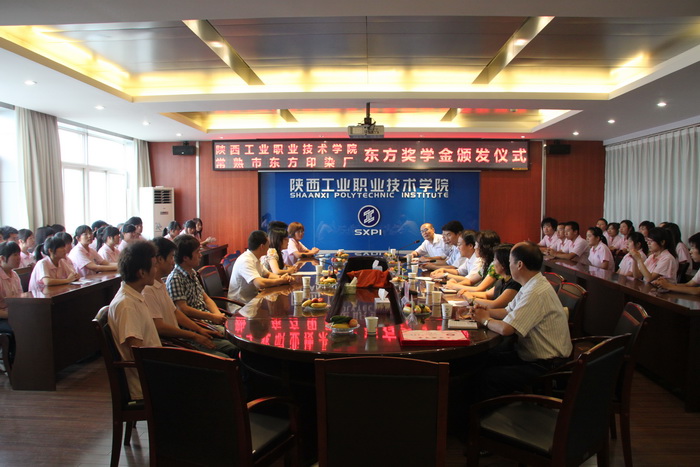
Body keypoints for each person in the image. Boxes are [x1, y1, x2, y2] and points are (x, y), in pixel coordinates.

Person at [471, 242, 572, 400]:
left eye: (509, 262)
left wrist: (485, 320)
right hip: (530, 355)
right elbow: (508, 311)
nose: (508, 266)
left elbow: (507, 329)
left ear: (519, 265)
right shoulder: (530, 284)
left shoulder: (536, 291)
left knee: (488, 377)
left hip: (547, 365)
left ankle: (491, 412)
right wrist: (484, 312)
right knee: (481, 359)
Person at [143, 237, 237, 357]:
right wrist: (196, 333)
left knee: (234, 344)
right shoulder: (151, 288)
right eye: (171, 257)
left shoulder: (161, 283)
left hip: (190, 333)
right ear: (159, 259)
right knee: (229, 352)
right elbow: (163, 325)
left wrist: (201, 329)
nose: (173, 261)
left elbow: (176, 311)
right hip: (178, 341)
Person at [107, 241, 162, 400]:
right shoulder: (127, 305)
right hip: (145, 383)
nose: (156, 269)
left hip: (155, 370)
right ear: (141, 273)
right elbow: (138, 352)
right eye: (154, 266)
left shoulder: (135, 295)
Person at [166, 235, 228, 327]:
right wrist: (212, 317)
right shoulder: (175, 278)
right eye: (197, 252)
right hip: (197, 325)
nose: (200, 255)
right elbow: (183, 309)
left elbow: (206, 298)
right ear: (185, 258)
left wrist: (217, 314)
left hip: (208, 319)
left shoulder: (192, 272)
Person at [229, 230, 296, 304]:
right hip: (241, 305)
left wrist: (283, 278)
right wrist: (281, 281)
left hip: (254, 300)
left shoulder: (256, 258)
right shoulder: (246, 260)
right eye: (268, 244)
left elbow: (268, 274)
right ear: (262, 246)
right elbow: (260, 283)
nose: (269, 247)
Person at [458, 244, 520, 310]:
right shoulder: (502, 280)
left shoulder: (514, 283)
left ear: (503, 264)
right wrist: (466, 293)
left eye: (495, 260)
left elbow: (495, 305)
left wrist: (471, 299)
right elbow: (486, 294)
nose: (493, 263)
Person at [0, 241, 22, 367]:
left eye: (19, 254)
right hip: (2, 317)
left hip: (12, 314)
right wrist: (12, 315)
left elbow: (20, 298)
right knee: (19, 328)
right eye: (15, 255)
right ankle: (14, 364)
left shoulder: (14, 275)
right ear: (2, 258)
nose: (19, 258)